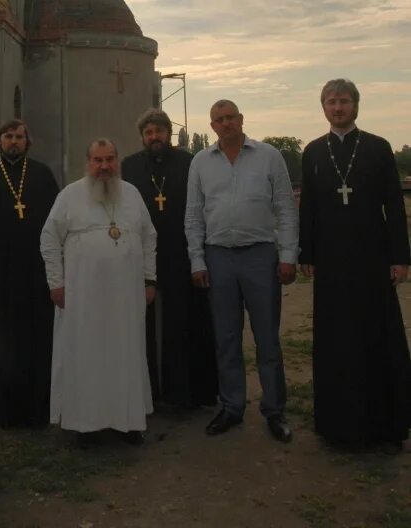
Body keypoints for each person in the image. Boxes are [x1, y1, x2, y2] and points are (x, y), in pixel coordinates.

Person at [300, 78, 411, 453]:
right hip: (331, 261)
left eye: (344, 101)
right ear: (323, 108)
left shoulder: (378, 148)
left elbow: (395, 205)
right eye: (331, 102)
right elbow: (309, 208)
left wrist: (399, 257)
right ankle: (338, 426)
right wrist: (307, 253)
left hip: (372, 258)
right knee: (336, 341)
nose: (338, 108)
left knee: (377, 335)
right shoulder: (313, 152)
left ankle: (386, 424)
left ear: (356, 106)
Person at [185, 100, 298, 443]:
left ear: (241, 119)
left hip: (260, 256)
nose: (226, 123)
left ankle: (274, 410)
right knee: (227, 338)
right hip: (219, 257)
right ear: (213, 126)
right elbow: (193, 215)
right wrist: (197, 260)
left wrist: (288, 254)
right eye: (218, 120)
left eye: (230, 117)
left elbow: (285, 208)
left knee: (267, 337)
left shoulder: (268, 156)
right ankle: (232, 406)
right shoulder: (201, 162)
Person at [40, 138, 157, 445]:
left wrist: (149, 279)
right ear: (88, 162)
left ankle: (129, 422)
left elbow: (149, 238)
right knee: (86, 354)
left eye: (109, 160)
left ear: (117, 161)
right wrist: (56, 283)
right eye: (98, 160)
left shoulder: (131, 194)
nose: (104, 166)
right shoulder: (70, 195)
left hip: (126, 295)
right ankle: (86, 425)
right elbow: (49, 240)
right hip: (83, 295)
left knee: (126, 352)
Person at [0, 119, 59, 427]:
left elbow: (58, 226)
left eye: (19, 137)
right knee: (2, 344)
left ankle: (39, 408)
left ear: (27, 142)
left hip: (36, 276)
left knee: (37, 341)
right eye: (8, 136)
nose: (14, 141)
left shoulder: (43, 176)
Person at [122, 109, 217, 409]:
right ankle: (148, 392)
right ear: (142, 136)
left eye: (159, 131)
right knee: (144, 325)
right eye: (149, 133)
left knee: (183, 320)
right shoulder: (130, 166)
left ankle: (186, 392)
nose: (154, 137)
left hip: (181, 250)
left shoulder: (189, 163)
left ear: (169, 133)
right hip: (141, 253)